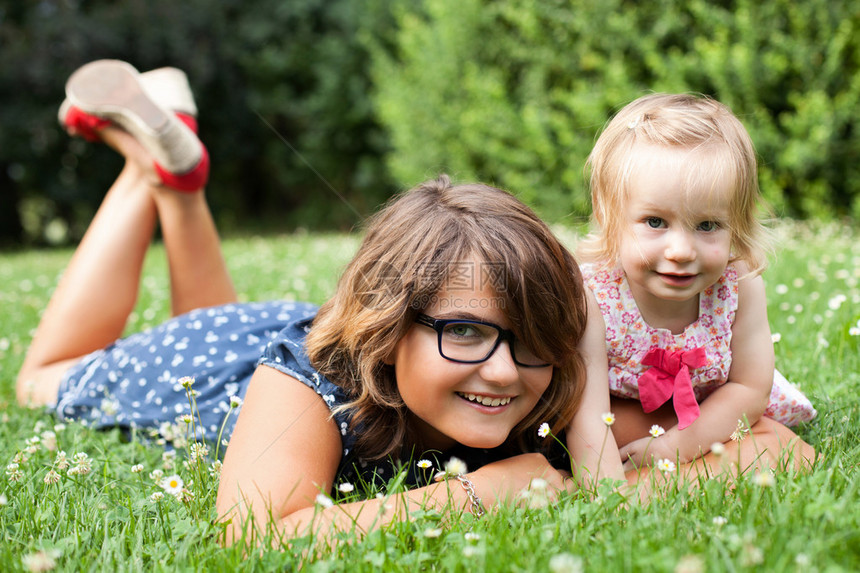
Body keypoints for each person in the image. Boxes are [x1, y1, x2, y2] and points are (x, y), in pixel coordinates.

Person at [17, 60, 626, 545]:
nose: (504, 371)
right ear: (388, 328)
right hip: (205, 366)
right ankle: (142, 169)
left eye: (533, 340)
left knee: (205, 315)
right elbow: (254, 532)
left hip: (255, 339)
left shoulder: (548, 385)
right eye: (465, 332)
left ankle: (181, 179)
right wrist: (478, 493)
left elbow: (694, 450)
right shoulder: (314, 378)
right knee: (41, 380)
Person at [576, 93, 817, 470]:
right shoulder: (595, 296)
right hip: (616, 410)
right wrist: (606, 492)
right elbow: (588, 413)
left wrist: (677, 446)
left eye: (707, 226)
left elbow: (749, 389)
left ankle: (677, 469)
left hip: (714, 409)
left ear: (736, 223)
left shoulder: (738, 289)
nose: (681, 250)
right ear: (609, 216)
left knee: (777, 446)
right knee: (607, 432)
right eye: (655, 222)